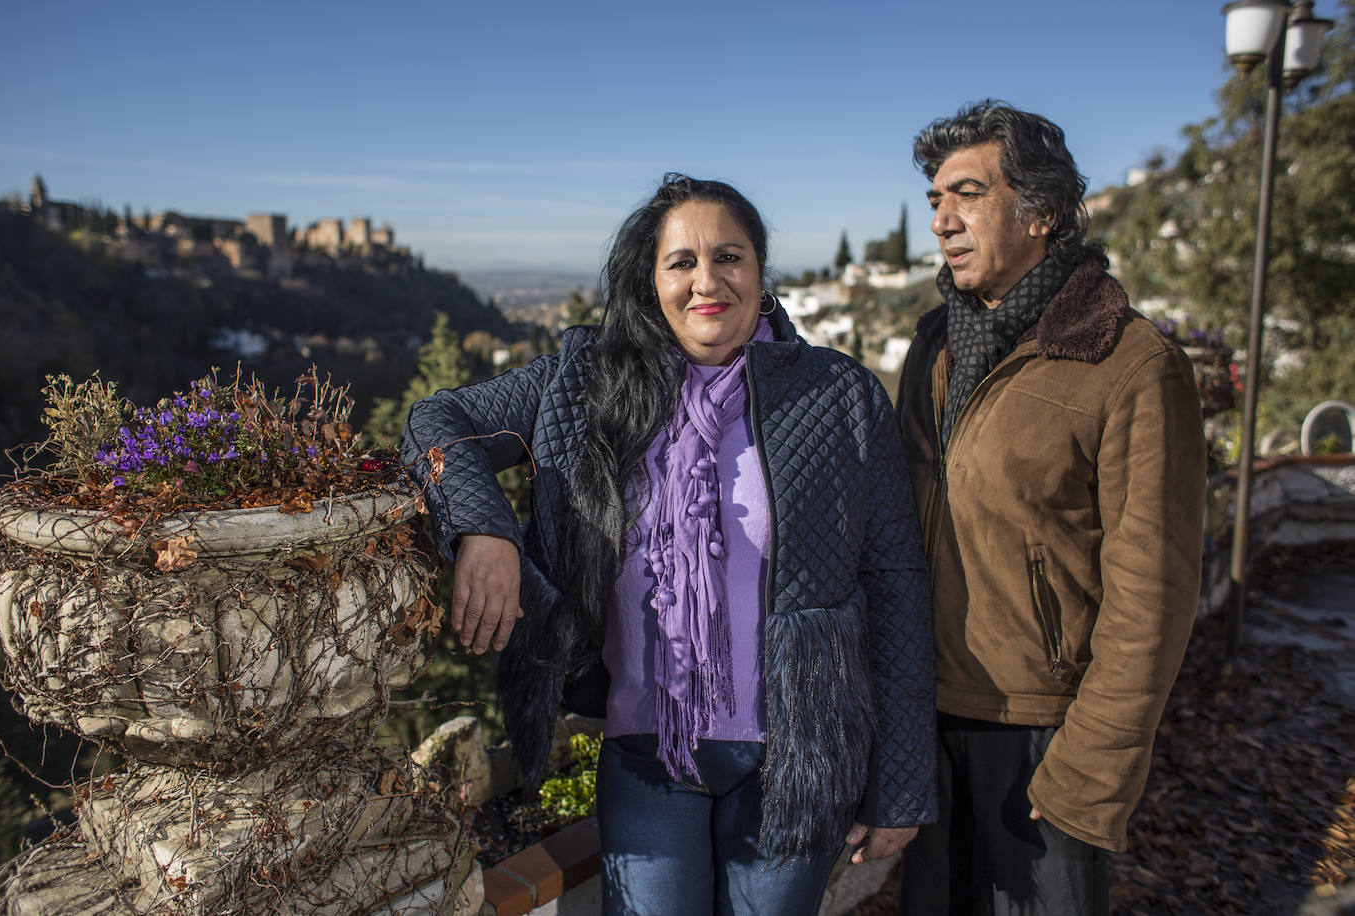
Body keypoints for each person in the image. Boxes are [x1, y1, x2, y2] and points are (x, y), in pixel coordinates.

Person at [402, 173, 936, 914]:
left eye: (729, 257)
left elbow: (895, 581)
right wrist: (485, 530)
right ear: (651, 280)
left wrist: (901, 784)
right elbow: (437, 421)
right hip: (646, 752)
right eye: (680, 262)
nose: (706, 281)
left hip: (797, 754)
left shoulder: (837, 394)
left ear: (760, 271)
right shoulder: (588, 382)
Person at [894, 101, 1206, 915]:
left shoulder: (1128, 362)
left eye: (967, 193)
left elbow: (1154, 590)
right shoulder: (933, 342)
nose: (942, 221)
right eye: (933, 200)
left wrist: (1089, 769)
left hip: (1041, 735)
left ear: (1044, 214)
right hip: (927, 720)